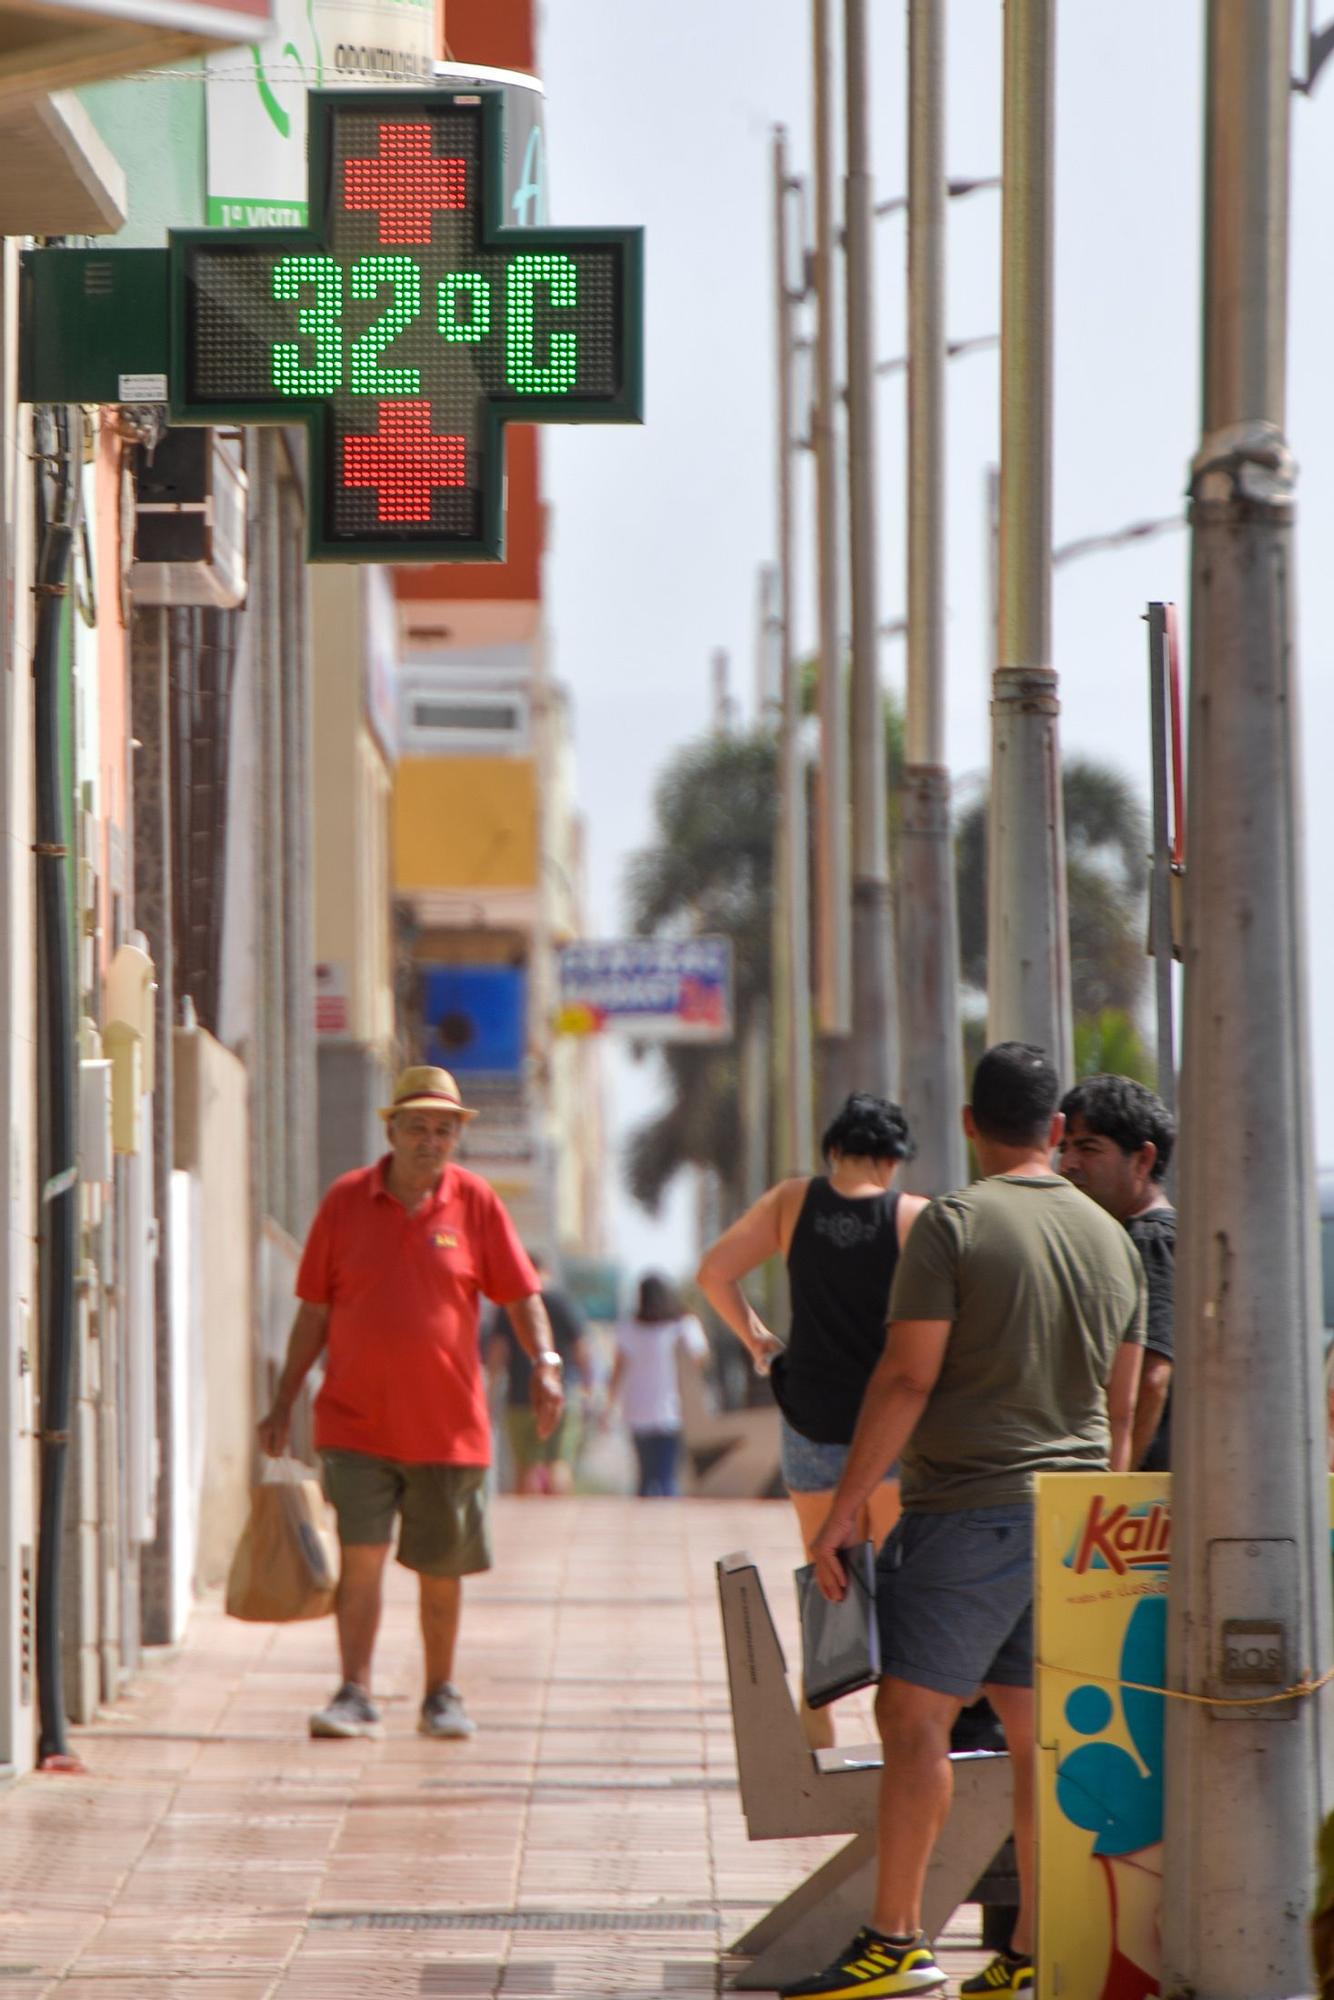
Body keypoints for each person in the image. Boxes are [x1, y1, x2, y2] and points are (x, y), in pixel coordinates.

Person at [787, 1043, 1145, 2000]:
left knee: (913, 1719)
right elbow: (1120, 1407)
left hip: (971, 1512)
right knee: (1036, 1740)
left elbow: (907, 1376)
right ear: (1058, 1132)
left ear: (967, 1125)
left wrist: (844, 1511)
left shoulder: (955, 1225)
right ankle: (1030, 1955)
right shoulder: (1112, 1236)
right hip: (1072, 1525)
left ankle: (895, 1940)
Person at [256, 1065, 565, 1743]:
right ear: (390, 1129)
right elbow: (313, 1313)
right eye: (419, 1126)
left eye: (444, 1129)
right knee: (361, 1554)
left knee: (441, 1569)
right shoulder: (344, 1202)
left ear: (457, 1137)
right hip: (354, 1421)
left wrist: (545, 1363)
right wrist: (283, 1402)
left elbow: (521, 1296)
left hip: (449, 1428)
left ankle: (439, 1693)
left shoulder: (476, 1203)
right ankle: (354, 1691)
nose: (432, 1140)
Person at [697, 1093, 926, 1748]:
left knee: (827, 1572)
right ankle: (899, 1733)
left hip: (812, 1421)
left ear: (834, 1151)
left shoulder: (793, 1203)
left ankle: (818, 1712)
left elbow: (714, 1274)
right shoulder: (913, 1217)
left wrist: (760, 1341)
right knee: (900, 1582)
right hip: (891, 1428)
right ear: (891, 1159)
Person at [1057, 1073, 1176, 1470]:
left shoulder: (1149, 1241)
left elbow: (1150, 1379)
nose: (1069, 1163)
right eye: (1065, 1147)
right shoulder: (1127, 1236)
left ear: (1142, 1159)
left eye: (1088, 1148)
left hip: (1144, 1497)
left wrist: (1113, 1485)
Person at [485, 1253, 590, 1495]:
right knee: (559, 1463)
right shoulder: (562, 1302)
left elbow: (497, 1355)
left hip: (519, 1396)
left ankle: (525, 1528)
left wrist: (490, 1393)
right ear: (546, 1271)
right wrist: (587, 1388)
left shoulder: (509, 1305)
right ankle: (561, 1522)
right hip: (562, 1391)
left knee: (525, 1468)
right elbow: (582, 1350)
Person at [607, 1274, 709, 1496]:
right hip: (673, 1411)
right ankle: (668, 1525)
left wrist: (608, 1406)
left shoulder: (628, 1328)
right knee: (667, 1476)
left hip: (636, 1410)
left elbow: (617, 1371)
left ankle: (641, 1527)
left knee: (645, 1476)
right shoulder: (683, 1325)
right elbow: (700, 1359)